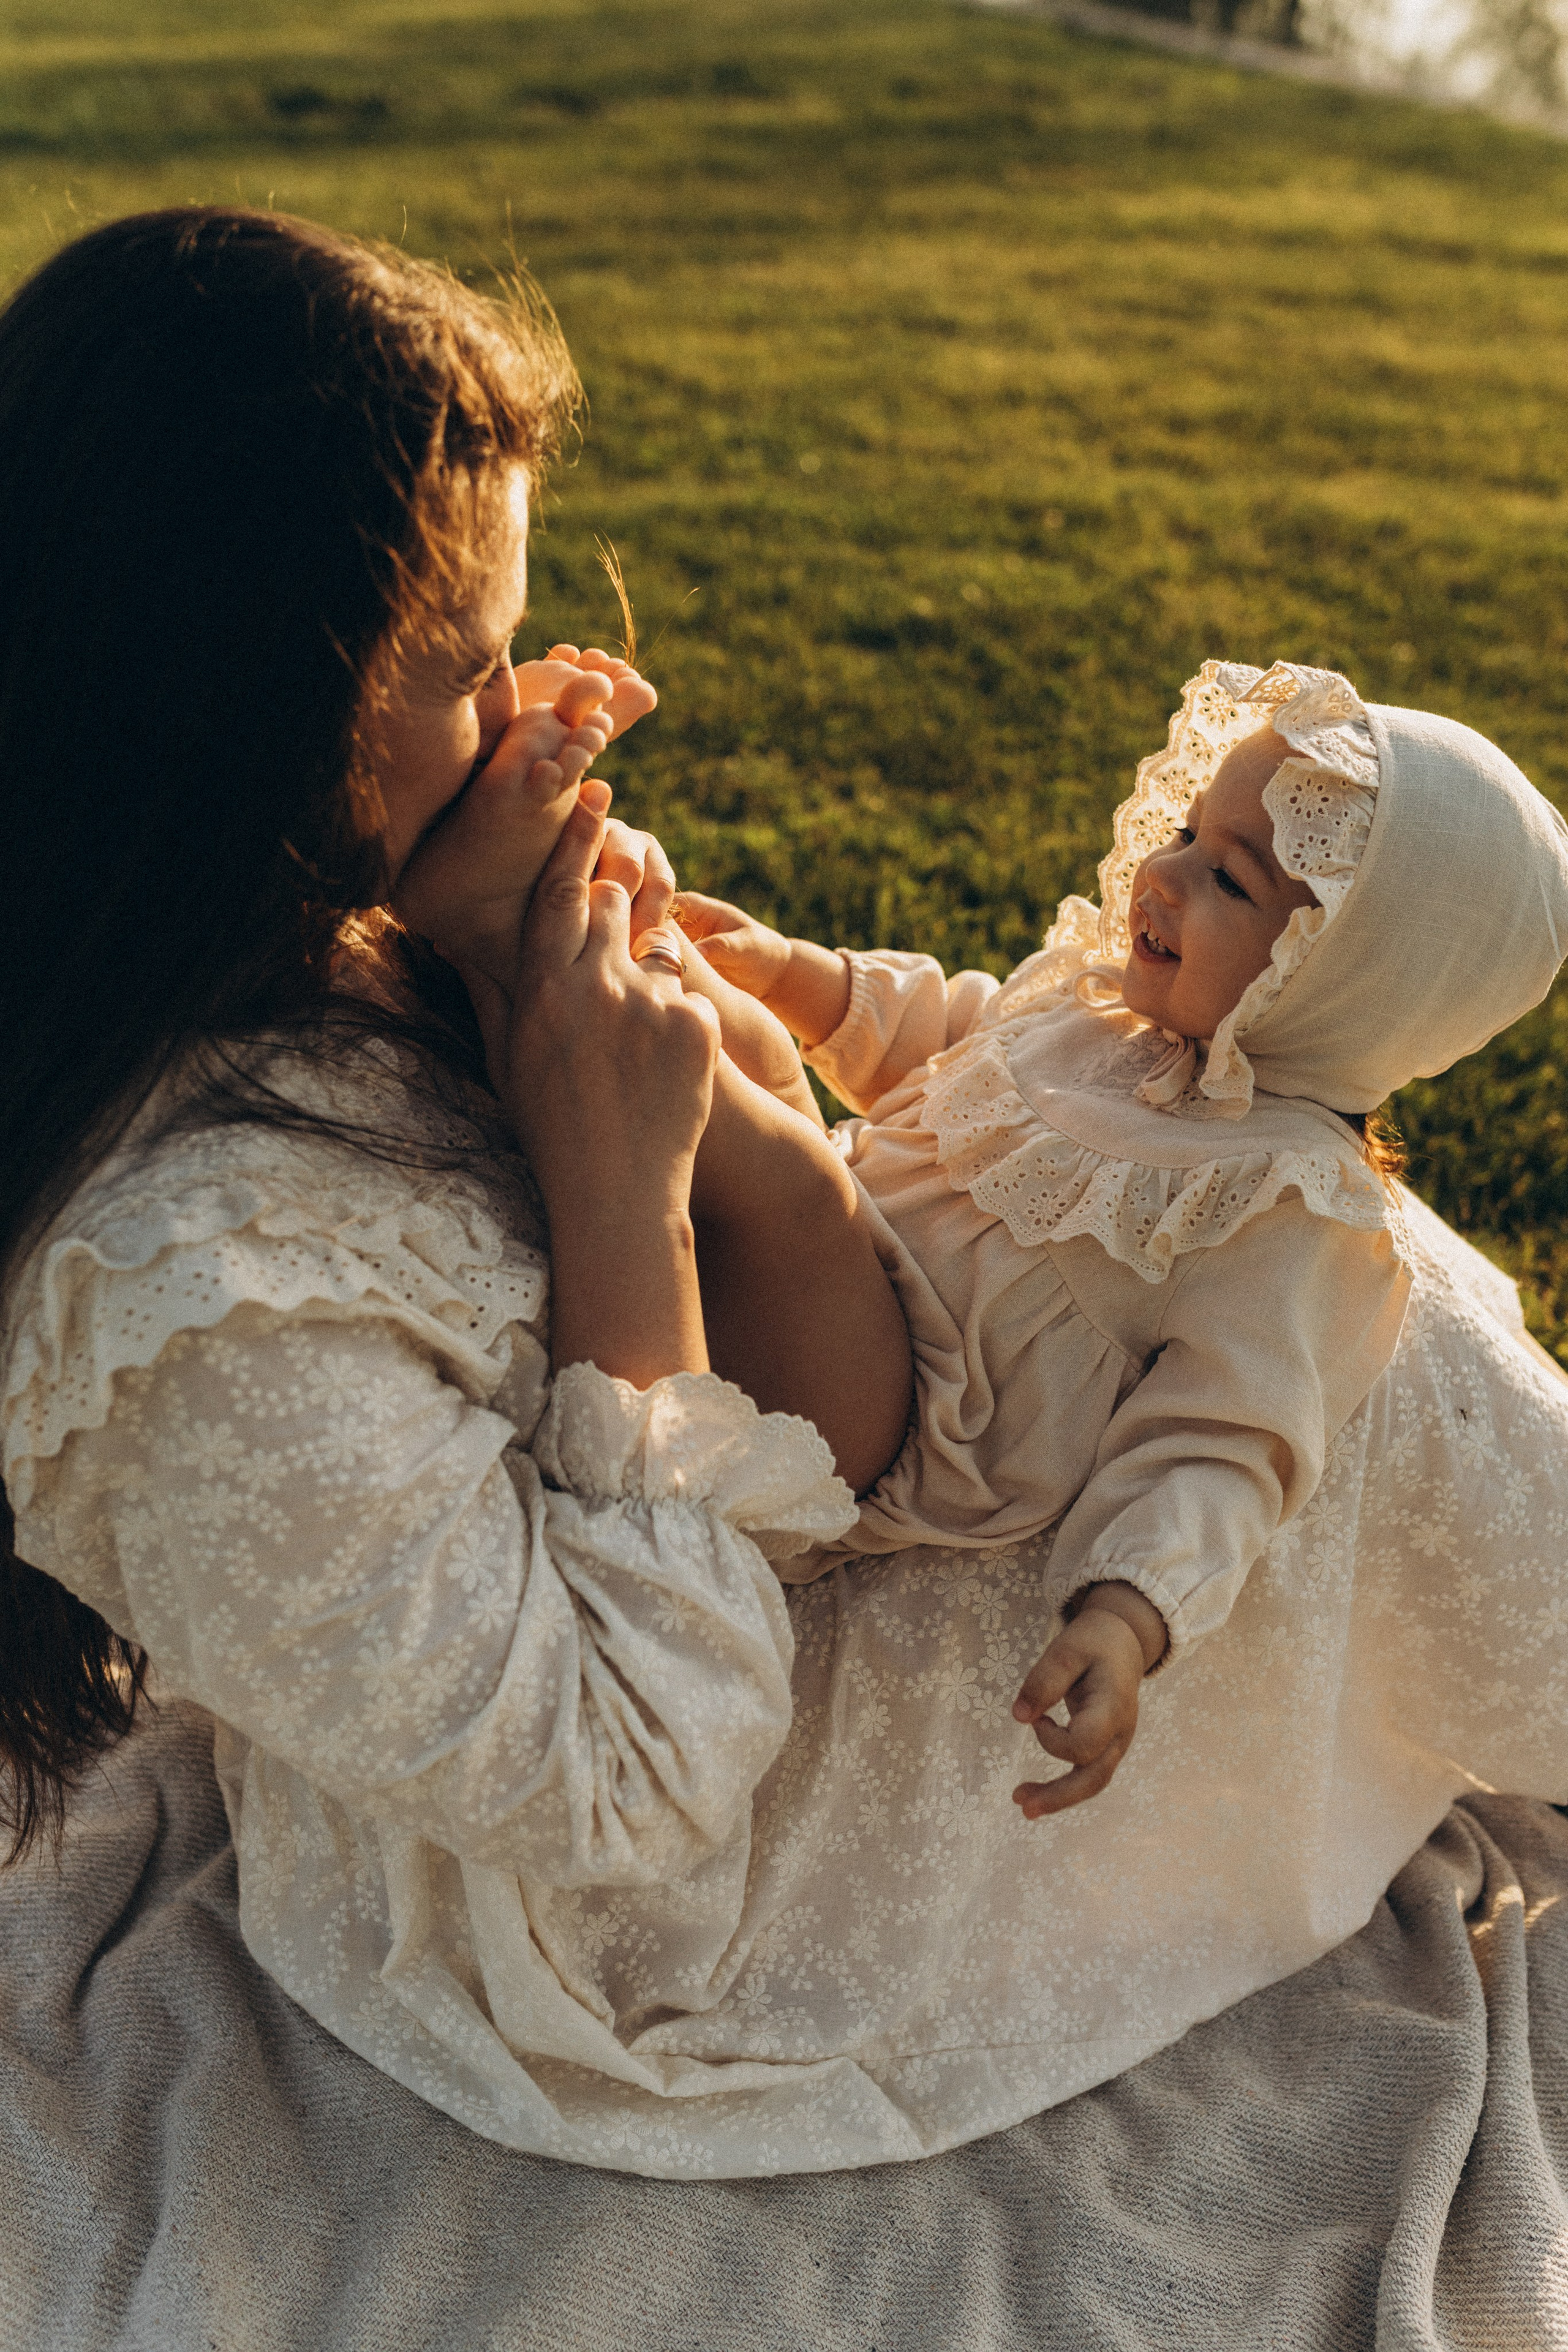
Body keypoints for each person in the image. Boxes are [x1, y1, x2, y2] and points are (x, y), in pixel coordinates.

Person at [4, 205, 1567, 2186]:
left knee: (1348, 1296)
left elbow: (871, 1076)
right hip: (667, 1907)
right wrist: (621, 1177)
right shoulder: (202, 1312)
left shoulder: (260, 918)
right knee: (1370, 1355)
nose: (514, 721)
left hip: (813, 1477)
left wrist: (510, 944)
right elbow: (630, 1776)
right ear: (238, 702)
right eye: (469, 669)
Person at [671, 660, 1568, 1814]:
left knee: (746, 1128)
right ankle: (571, 1051)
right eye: (1188, 832)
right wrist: (798, 977)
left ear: (1341, 984)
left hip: (886, 1400)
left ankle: (585, 1066)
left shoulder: (1282, 1209)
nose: (1164, 875)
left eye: (1229, 883)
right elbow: (952, 1036)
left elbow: (1229, 1440)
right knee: (731, 1033)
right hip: (842, 1251)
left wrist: (1128, 1613)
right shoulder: (1103, 1018)